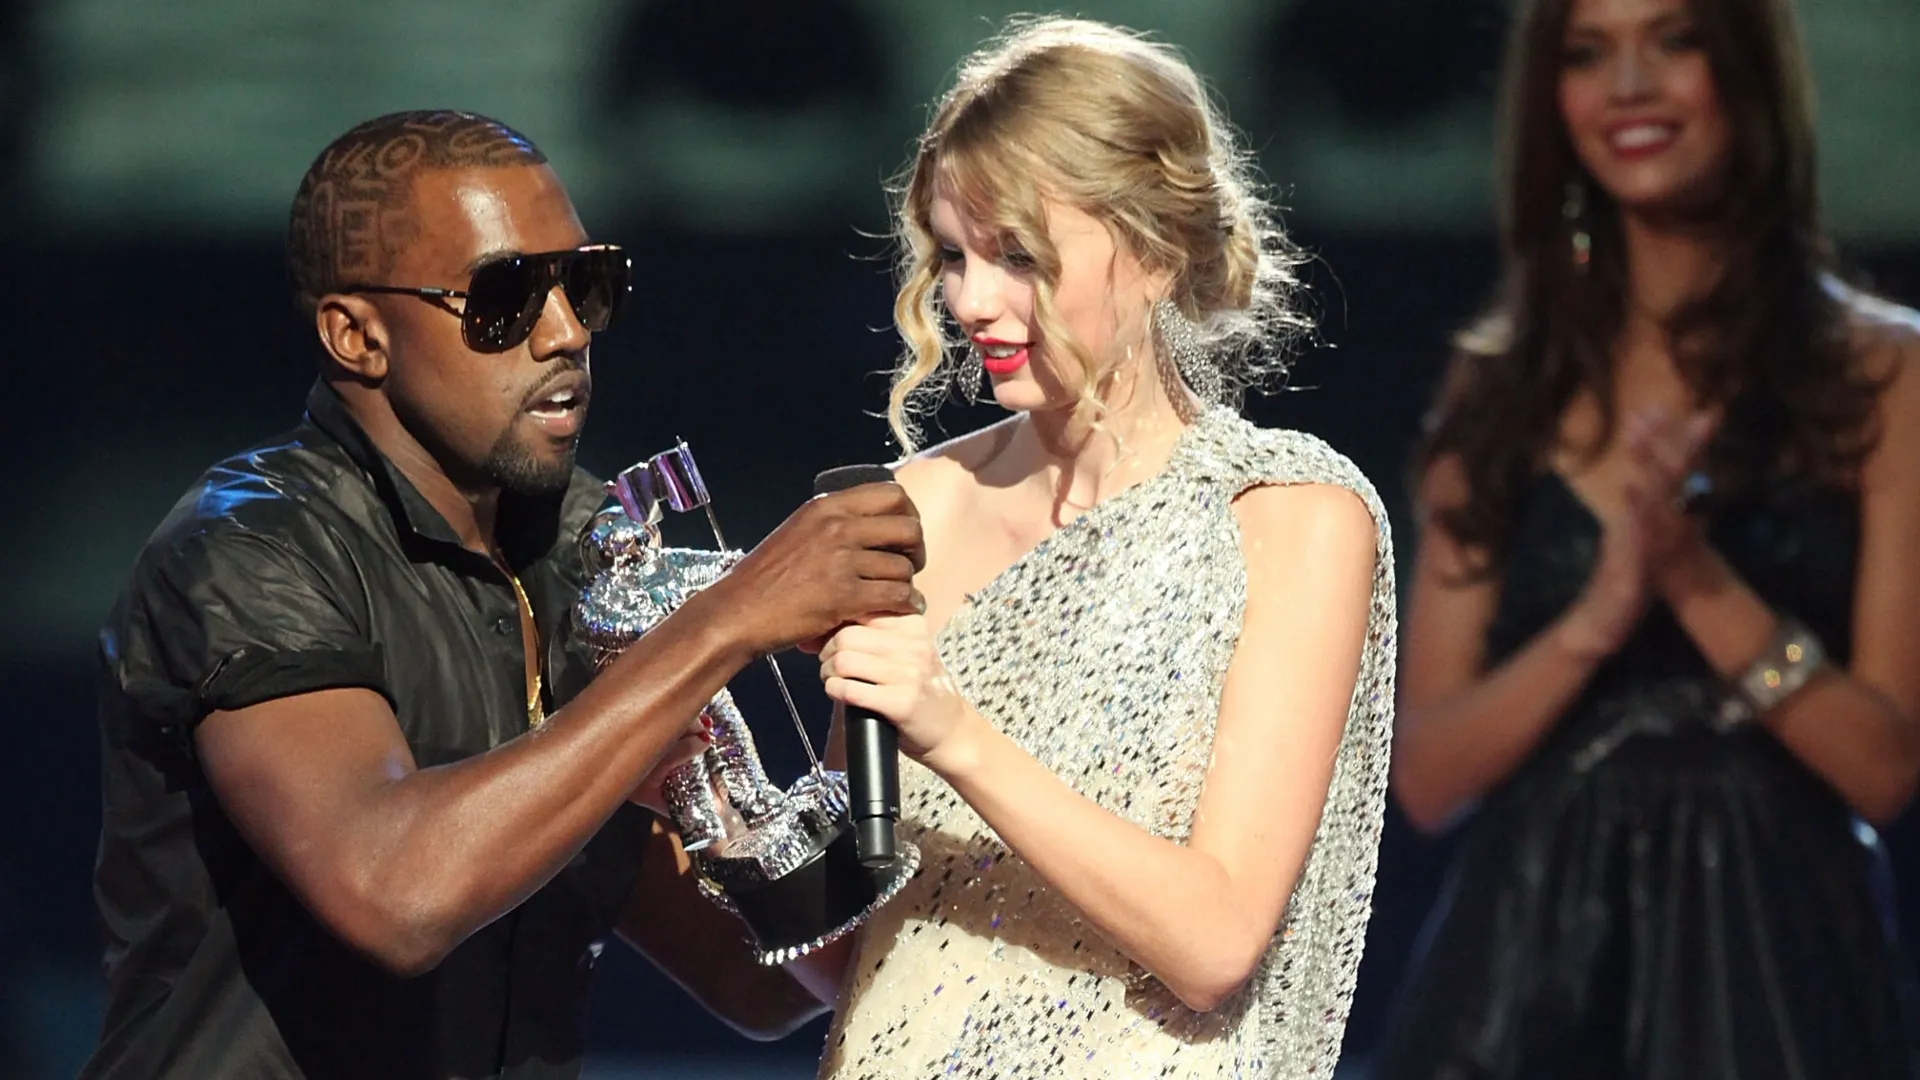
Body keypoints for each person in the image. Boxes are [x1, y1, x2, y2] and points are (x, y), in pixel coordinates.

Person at [84, 110, 928, 1080]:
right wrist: (723, 625)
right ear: (357, 336)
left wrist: (861, 676)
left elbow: (763, 980)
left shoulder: (583, 553)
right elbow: (395, 897)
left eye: (585, 284)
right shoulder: (252, 549)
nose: (566, 333)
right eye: (505, 298)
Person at [786, 19, 1397, 1079]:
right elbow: (841, 955)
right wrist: (709, 791)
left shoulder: (1289, 517)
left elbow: (1214, 943)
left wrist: (952, 731)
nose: (971, 302)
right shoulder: (915, 509)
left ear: (1157, 253)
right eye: (954, 256)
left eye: (1018, 256)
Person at [1375, 0, 1920, 1075]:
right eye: (1588, 53)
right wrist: (1598, 616)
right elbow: (1429, 776)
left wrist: (1694, 577)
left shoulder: (1881, 373)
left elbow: (1883, 768)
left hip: (1774, 973)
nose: (1629, 86)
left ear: (1745, 70)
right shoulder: (1500, 386)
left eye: (1674, 41)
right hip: (1524, 974)